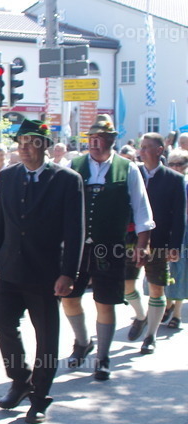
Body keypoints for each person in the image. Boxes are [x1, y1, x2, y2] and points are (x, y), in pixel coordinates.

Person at [0, 120, 84, 423]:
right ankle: (20, 380)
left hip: (45, 273)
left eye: (31, 141)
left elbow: (75, 231)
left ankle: (40, 395)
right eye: (20, 141)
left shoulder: (67, 179)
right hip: (10, 269)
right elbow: (0, 223)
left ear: (44, 145)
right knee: (2, 324)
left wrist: (69, 273)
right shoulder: (9, 175)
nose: (23, 147)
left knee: (46, 337)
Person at [62, 114, 154, 381]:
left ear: (112, 141)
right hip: (76, 247)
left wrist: (142, 244)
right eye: (91, 139)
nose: (94, 144)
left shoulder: (128, 169)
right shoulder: (74, 165)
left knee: (105, 301)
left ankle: (102, 357)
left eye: (100, 139)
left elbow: (141, 209)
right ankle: (82, 342)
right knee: (69, 297)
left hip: (110, 247)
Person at [123, 133, 184, 354]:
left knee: (157, 289)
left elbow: (178, 217)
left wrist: (175, 245)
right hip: (130, 240)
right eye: (141, 147)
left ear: (160, 150)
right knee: (127, 285)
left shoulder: (174, 179)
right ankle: (140, 316)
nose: (142, 151)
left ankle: (150, 336)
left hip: (159, 241)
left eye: (148, 147)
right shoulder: (132, 173)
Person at [163, 149, 188, 329]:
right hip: (166, 229)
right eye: (172, 164)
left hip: (184, 231)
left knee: (180, 270)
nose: (175, 167)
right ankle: (168, 304)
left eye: (179, 164)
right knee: (165, 270)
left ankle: (177, 313)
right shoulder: (168, 181)